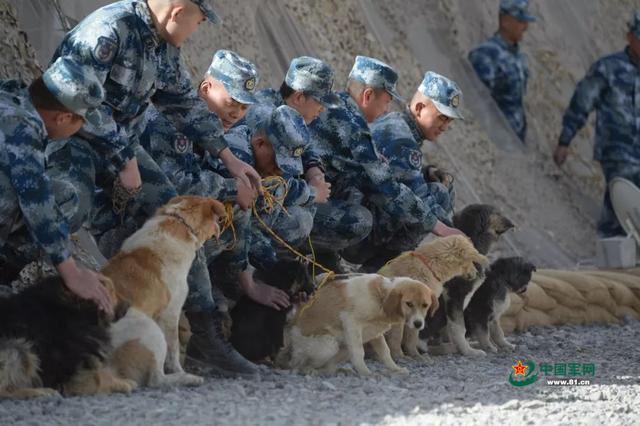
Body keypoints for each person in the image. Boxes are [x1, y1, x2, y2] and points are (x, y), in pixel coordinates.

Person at [46, 0, 261, 377]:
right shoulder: (110, 30)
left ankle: (205, 333)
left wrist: (229, 158)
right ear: (178, 12)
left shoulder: (163, 46)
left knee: (177, 217)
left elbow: (183, 103)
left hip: (124, 147)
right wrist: (124, 156)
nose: (196, 30)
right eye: (198, 21)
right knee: (67, 204)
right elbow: (73, 97)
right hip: (74, 139)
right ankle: (24, 297)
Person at [309, 56, 456, 271]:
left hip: (312, 195)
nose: (387, 110)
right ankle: (320, 259)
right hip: (308, 206)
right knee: (363, 219)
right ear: (368, 96)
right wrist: (443, 229)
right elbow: (388, 187)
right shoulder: (355, 127)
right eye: (386, 101)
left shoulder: (336, 105)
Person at [0, 59, 112, 314]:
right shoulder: (23, 131)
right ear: (63, 118)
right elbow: (37, 201)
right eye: (81, 122)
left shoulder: (10, 98)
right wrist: (71, 272)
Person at [236, 57, 335, 267]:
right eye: (319, 102)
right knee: (301, 220)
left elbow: (306, 146)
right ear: (299, 97)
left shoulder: (284, 108)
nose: (322, 110)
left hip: (256, 199)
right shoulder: (266, 114)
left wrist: (314, 170)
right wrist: (312, 192)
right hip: (243, 201)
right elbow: (279, 181)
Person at [361, 71, 465, 270]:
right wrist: (455, 235)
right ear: (419, 108)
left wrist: (427, 171)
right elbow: (419, 199)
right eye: (442, 118)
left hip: (364, 207)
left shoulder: (397, 123)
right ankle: (379, 270)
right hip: (360, 225)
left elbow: (397, 172)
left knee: (438, 187)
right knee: (439, 194)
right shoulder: (403, 141)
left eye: (450, 121)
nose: (445, 127)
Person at [553, 11, 640, 238]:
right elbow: (582, 103)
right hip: (618, 153)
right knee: (620, 204)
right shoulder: (607, 69)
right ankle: (611, 257)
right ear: (630, 37)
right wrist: (565, 140)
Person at [468, 0, 535, 142]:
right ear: (505, 21)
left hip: (514, 139)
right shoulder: (486, 55)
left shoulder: (518, 57)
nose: (526, 27)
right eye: (520, 21)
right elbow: (477, 103)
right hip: (496, 140)